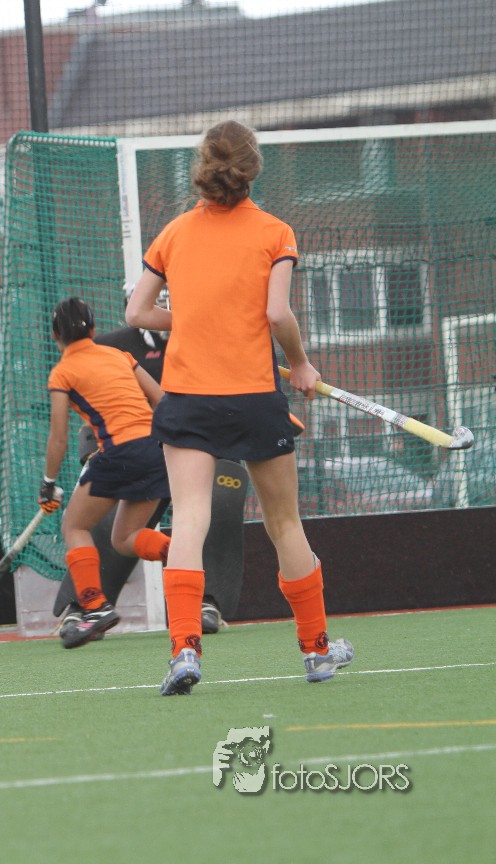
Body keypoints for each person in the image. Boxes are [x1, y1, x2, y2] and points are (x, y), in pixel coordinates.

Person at [126, 119, 354, 695]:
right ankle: (316, 650)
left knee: (190, 519)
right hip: (253, 398)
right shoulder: (275, 232)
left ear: (202, 167)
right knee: (284, 523)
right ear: (253, 168)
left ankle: (184, 650)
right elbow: (277, 314)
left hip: (188, 399)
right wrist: (301, 364)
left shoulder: (174, 233)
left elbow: (137, 314)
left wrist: (194, 319)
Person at [56, 283, 251, 636]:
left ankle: (206, 600)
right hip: (148, 450)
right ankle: (83, 604)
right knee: (103, 518)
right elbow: (97, 410)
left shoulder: (213, 344)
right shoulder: (111, 348)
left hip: (205, 447)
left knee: (221, 498)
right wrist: (90, 446)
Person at [37, 297, 171, 649]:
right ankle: (181, 555)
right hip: (154, 450)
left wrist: (48, 484)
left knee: (74, 526)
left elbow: (58, 437)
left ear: (55, 335)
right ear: (94, 329)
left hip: (119, 452)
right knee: (125, 538)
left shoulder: (62, 373)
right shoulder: (120, 356)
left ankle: (94, 606)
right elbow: (161, 399)